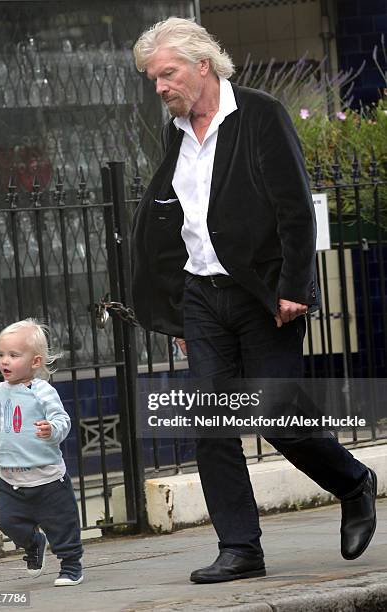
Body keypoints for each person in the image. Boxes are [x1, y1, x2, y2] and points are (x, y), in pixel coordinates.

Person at [131, 17, 377, 583]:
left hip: (262, 294)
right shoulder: (175, 132)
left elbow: (293, 205)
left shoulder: (260, 114)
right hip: (201, 294)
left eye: (167, 74)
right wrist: (175, 311)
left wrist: (295, 286)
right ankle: (240, 547)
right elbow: (178, 225)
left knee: (276, 412)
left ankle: (351, 482)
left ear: (203, 64)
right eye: (153, 79)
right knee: (211, 423)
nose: (161, 87)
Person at [0, 319, 83, 587]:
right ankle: (33, 543)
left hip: (48, 478)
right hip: (11, 480)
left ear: (35, 362)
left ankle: (71, 565)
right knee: (7, 521)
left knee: (62, 526)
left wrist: (51, 430)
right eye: (1, 354)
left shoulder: (42, 391)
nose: (5, 361)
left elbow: (62, 421)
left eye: (14, 355)